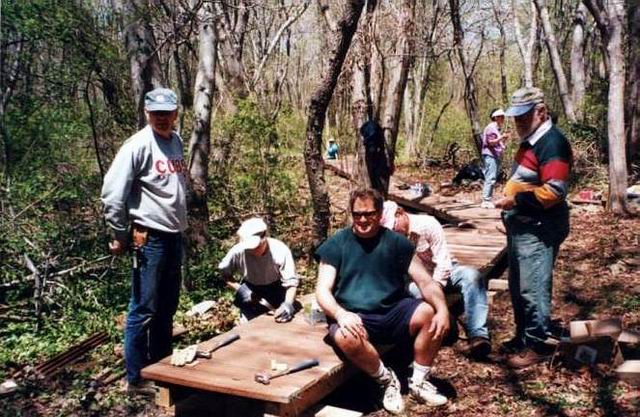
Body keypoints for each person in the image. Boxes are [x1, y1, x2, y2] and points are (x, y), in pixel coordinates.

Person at [315, 189, 450, 414]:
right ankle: (387, 380)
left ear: (379, 213)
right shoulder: (337, 243)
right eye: (357, 214)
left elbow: (426, 282)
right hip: (355, 314)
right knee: (345, 336)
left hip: (394, 310)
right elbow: (322, 290)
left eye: (368, 213)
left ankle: (418, 381)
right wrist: (340, 314)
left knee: (429, 312)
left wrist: (443, 309)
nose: (362, 219)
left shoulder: (397, 243)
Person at [101, 87, 187, 395]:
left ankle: (162, 369)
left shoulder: (175, 141)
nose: (163, 119)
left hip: (174, 235)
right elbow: (112, 194)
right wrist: (119, 234)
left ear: (176, 113)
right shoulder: (136, 146)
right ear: (147, 113)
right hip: (148, 237)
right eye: (157, 113)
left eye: (168, 113)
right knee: (144, 308)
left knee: (166, 308)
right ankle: (136, 378)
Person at [495, 87, 572, 369]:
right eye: (515, 116)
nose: (517, 122)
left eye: (524, 116)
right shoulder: (531, 140)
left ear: (541, 112)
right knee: (518, 286)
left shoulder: (552, 143)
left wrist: (514, 200)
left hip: (540, 228)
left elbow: (554, 192)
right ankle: (523, 336)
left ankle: (536, 343)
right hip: (522, 225)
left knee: (533, 287)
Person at [380, 201, 491, 359]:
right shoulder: (389, 239)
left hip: (445, 271)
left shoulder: (428, 223)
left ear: (401, 213)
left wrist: (435, 288)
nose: (393, 231)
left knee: (472, 276)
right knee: (413, 292)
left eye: (394, 226)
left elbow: (443, 262)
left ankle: (478, 334)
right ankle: (447, 328)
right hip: (417, 280)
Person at [218, 217, 299, 323]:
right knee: (249, 329)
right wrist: (240, 289)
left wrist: (288, 304)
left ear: (264, 237)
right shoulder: (237, 252)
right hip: (249, 291)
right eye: (250, 248)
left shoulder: (280, 250)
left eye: (256, 246)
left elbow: (291, 283)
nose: (253, 251)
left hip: (276, 291)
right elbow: (224, 274)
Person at [481, 108, 510, 208]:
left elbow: (496, 142)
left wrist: (502, 141)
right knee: (491, 176)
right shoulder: (491, 128)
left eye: (503, 117)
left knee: (492, 176)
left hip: (494, 155)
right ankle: (486, 200)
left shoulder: (496, 128)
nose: (503, 119)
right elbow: (490, 142)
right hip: (490, 155)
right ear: (495, 117)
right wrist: (501, 137)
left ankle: (487, 198)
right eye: (501, 117)